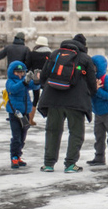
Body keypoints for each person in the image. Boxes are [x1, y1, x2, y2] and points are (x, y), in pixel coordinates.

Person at [37, 33, 97, 172]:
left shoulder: (55, 54)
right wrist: (91, 93)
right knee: (76, 132)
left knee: (52, 131)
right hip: (76, 102)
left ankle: (48, 164)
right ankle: (70, 164)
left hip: (53, 99)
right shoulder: (85, 58)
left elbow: (44, 75)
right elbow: (91, 82)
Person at [86, 55, 108, 167]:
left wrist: (97, 90)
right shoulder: (91, 80)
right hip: (98, 112)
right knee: (99, 137)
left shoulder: (107, 79)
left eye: (94, 66)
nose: (92, 68)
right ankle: (99, 157)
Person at [4, 61, 39, 168]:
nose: (20, 74)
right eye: (17, 72)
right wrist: (24, 82)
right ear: (12, 72)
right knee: (16, 136)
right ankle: (14, 156)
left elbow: (34, 87)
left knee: (23, 136)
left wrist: (37, 81)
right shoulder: (10, 81)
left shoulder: (24, 81)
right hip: (14, 113)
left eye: (22, 72)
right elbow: (13, 89)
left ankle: (18, 155)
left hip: (24, 113)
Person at [26, 35, 52, 126]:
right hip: (47, 80)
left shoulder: (32, 54)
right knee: (48, 99)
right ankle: (50, 120)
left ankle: (30, 119)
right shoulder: (50, 54)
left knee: (35, 98)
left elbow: (27, 66)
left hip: (35, 79)